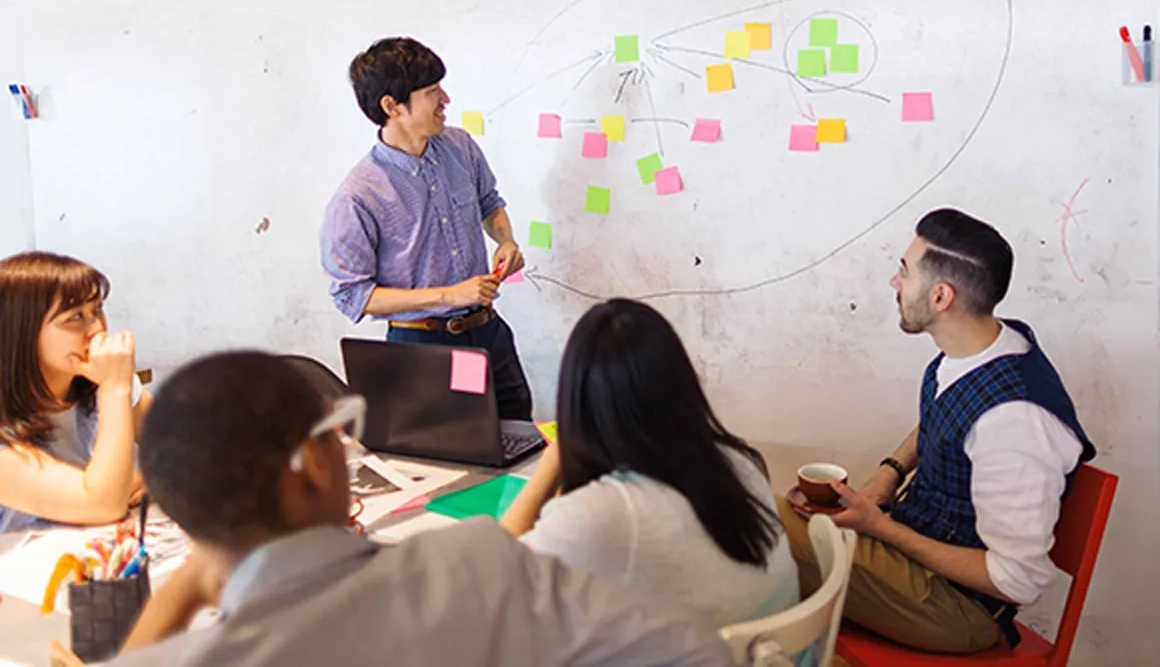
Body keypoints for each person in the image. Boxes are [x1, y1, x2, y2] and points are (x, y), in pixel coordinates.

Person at [113, 351, 731, 667]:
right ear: (313, 461)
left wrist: (187, 586)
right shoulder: (479, 567)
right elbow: (694, 648)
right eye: (339, 431)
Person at [779, 208, 1095, 655]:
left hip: (959, 611)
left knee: (760, 521)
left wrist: (882, 530)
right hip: (915, 560)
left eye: (904, 271)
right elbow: (945, 415)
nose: (894, 282)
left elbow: (1016, 579)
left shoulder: (1015, 421)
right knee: (777, 527)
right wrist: (888, 476)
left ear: (941, 296)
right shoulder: (980, 350)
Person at [501, 299, 799, 628]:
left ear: (578, 400)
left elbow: (496, 577)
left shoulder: (603, 515)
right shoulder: (740, 461)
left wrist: (552, 462)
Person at [320, 37, 532, 420]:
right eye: (432, 91)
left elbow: (490, 203)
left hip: (488, 333)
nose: (445, 99)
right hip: (423, 347)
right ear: (392, 106)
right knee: (458, 457)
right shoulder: (358, 196)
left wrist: (506, 240)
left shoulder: (460, 146)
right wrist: (448, 295)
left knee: (519, 437)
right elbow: (353, 295)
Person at [0, 252, 150, 532]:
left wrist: (148, 478)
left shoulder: (95, 386)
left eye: (97, 310)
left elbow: (187, 444)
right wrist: (114, 388)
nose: (96, 329)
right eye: (75, 317)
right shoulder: (110, 386)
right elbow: (102, 504)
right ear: (21, 332)